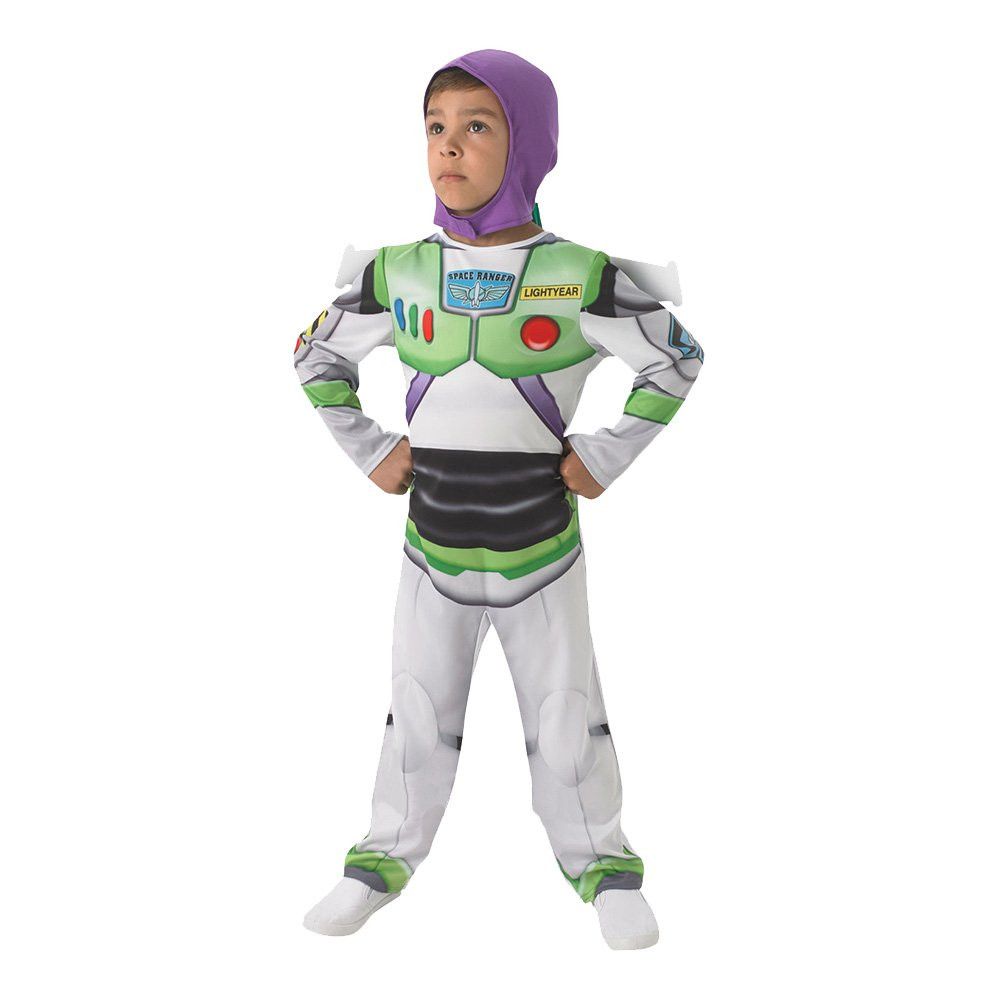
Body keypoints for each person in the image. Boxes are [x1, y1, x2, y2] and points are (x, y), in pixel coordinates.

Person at [292, 49, 704, 950]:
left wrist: (606, 454)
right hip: (431, 550)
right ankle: (379, 864)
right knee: (414, 714)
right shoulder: (398, 271)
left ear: (529, 145)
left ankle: (603, 870)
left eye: (478, 126)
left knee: (567, 721)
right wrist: (371, 450)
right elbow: (314, 354)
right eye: (435, 127)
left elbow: (676, 359)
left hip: (541, 551)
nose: (449, 146)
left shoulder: (582, 274)